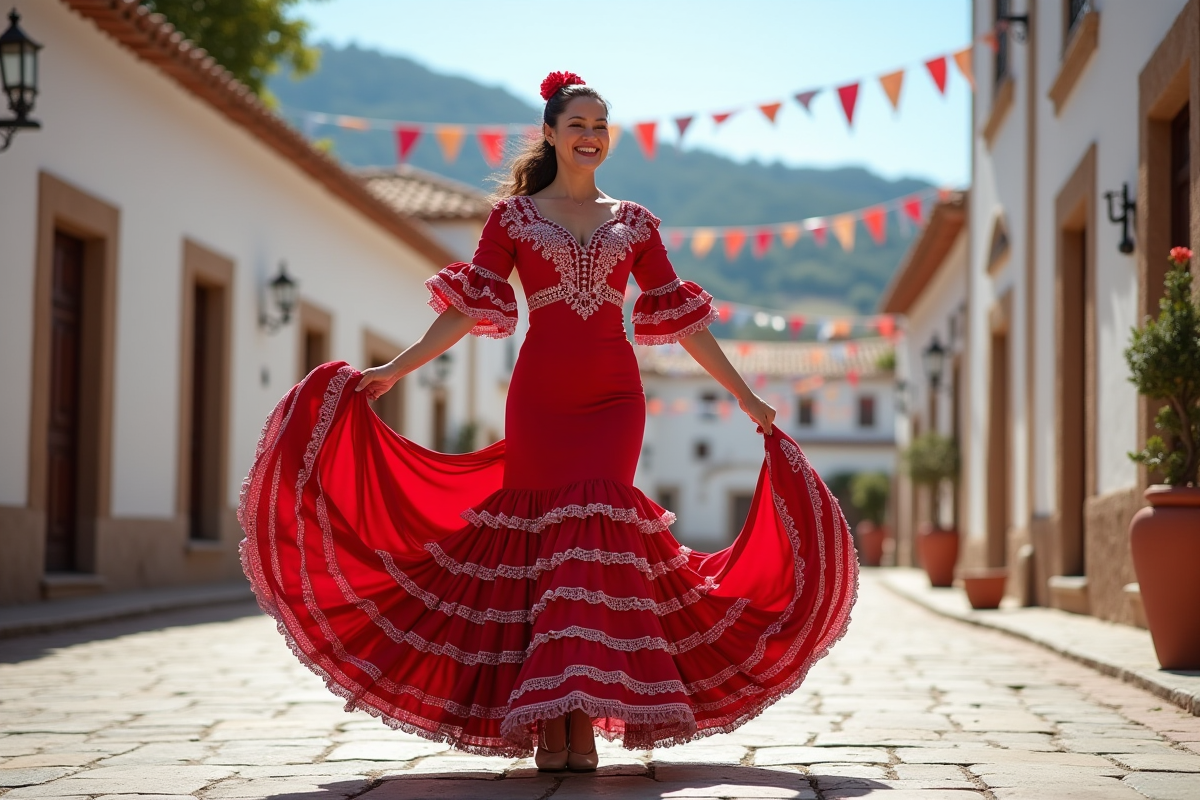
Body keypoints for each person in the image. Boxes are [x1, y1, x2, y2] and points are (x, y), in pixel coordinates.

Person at [238, 71, 858, 774]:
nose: (590, 136)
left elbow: (684, 321)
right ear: (551, 134)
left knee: (590, 542)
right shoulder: (512, 219)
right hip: (540, 397)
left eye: (600, 126)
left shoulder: (637, 222)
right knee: (544, 551)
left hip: (615, 399)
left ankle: (579, 720)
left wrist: (744, 394)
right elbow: (467, 308)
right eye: (578, 124)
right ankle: (550, 720)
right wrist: (397, 368)